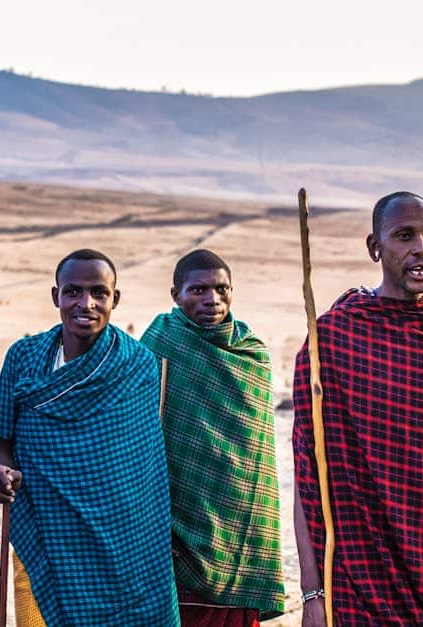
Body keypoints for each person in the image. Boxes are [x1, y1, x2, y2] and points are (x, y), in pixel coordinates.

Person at [293, 192, 423, 625]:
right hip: (361, 582)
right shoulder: (333, 341)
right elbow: (309, 479)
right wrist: (313, 594)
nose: (421, 248)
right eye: (404, 236)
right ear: (375, 248)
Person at [0, 249, 178, 626]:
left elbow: (141, 469)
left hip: (124, 544)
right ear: (56, 295)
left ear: (114, 299)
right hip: (43, 529)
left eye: (98, 293)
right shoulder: (23, 357)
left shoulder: (137, 365)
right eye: (73, 292)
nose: (85, 304)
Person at [140, 249, 284, 626]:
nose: (212, 300)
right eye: (198, 290)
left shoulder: (251, 355)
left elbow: (258, 453)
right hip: (175, 515)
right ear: (176, 295)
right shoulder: (159, 343)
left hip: (238, 514)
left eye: (221, 289)